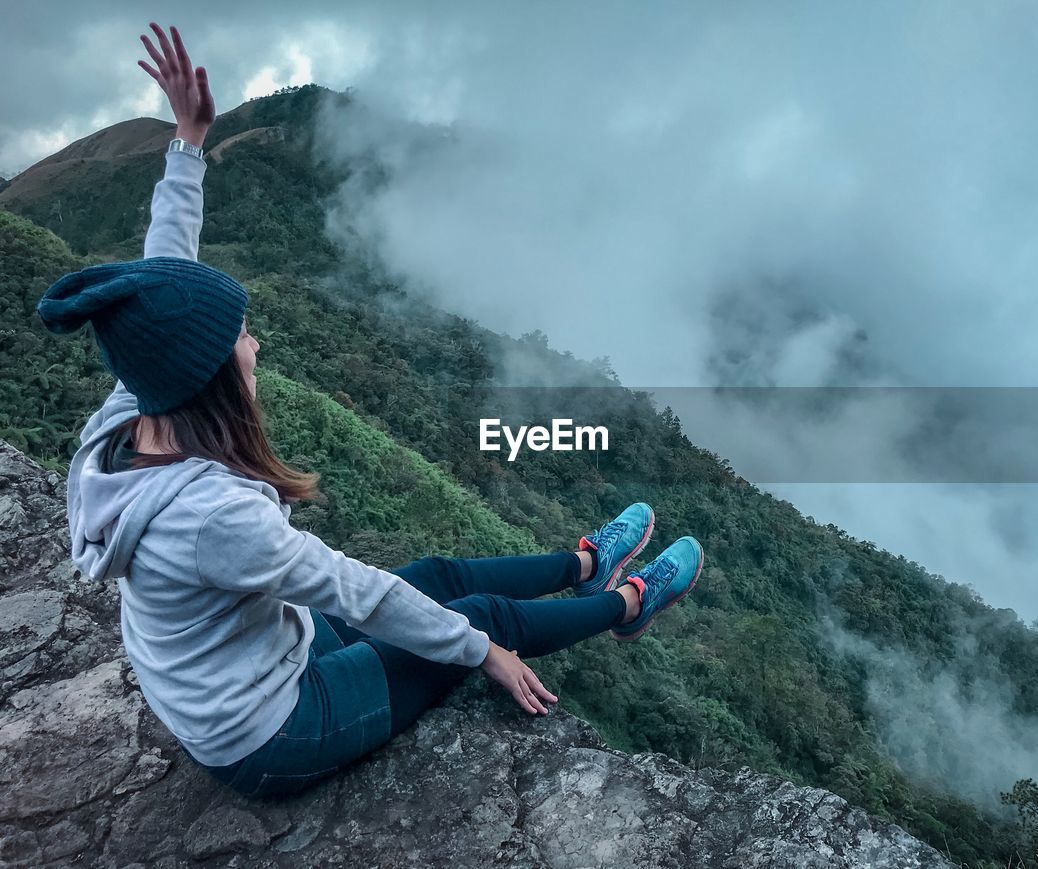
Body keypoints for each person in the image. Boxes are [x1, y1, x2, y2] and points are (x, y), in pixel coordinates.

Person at [36, 23, 704, 800]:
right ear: (212, 377)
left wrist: (189, 141)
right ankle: (627, 603)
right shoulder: (212, 514)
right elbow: (358, 592)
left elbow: (163, 276)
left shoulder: (133, 411)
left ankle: (585, 562)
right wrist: (483, 653)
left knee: (437, 574)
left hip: (254, 657)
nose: (255, 343)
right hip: (272, 729)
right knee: (480, 616)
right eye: (240, 339)